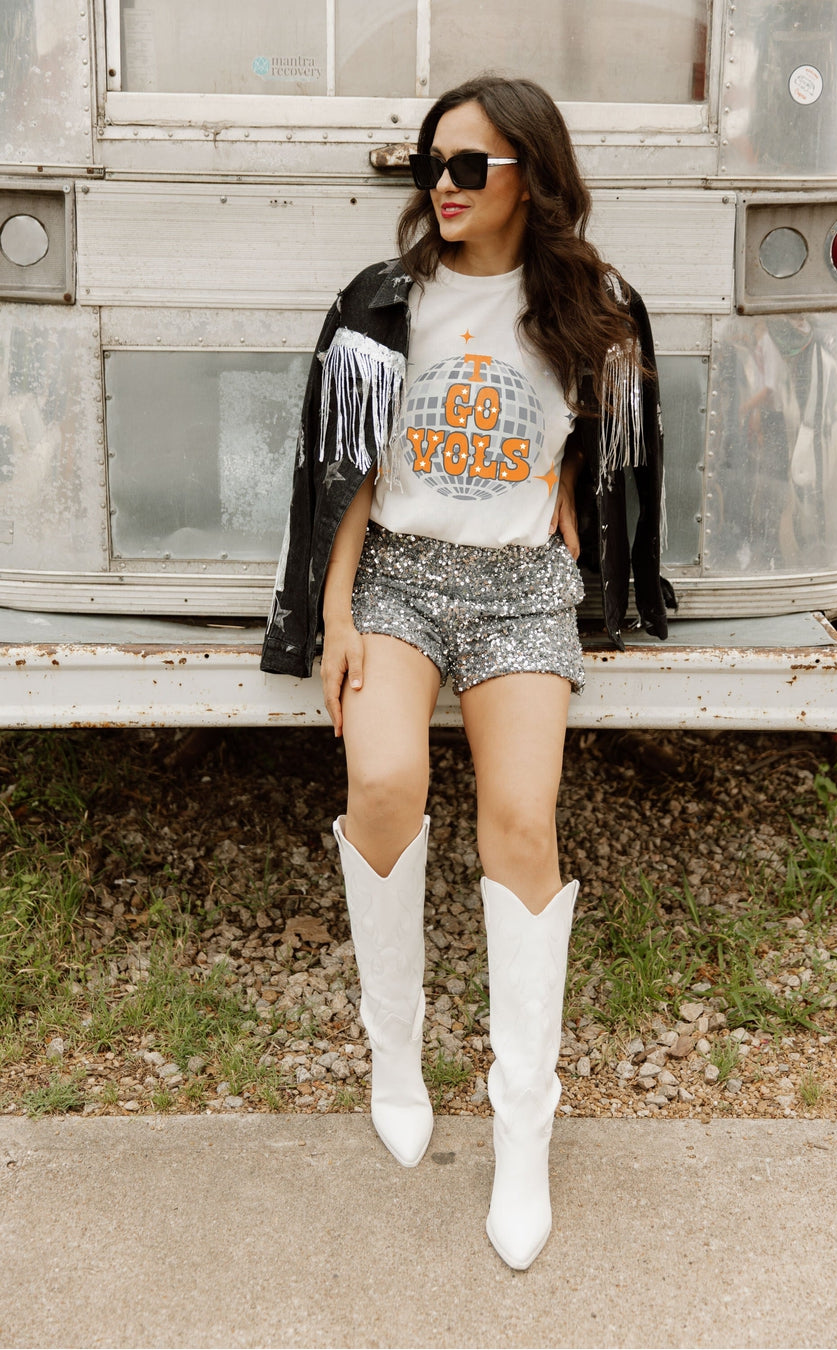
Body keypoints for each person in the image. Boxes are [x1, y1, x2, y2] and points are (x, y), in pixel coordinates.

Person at [261, 74, 668, 1270]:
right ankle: (396, 1047)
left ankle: (522, 1128)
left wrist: (574, 497)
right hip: (400, 575)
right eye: (430, 165)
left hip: (521, 588)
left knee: (523, 823)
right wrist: (337, 612)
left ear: (530, 178)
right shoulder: (384, 302)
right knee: (385, 782)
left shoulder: (594, 305)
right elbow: (345, 465)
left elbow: (611, 434)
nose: (442, 185)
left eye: (468, 166)